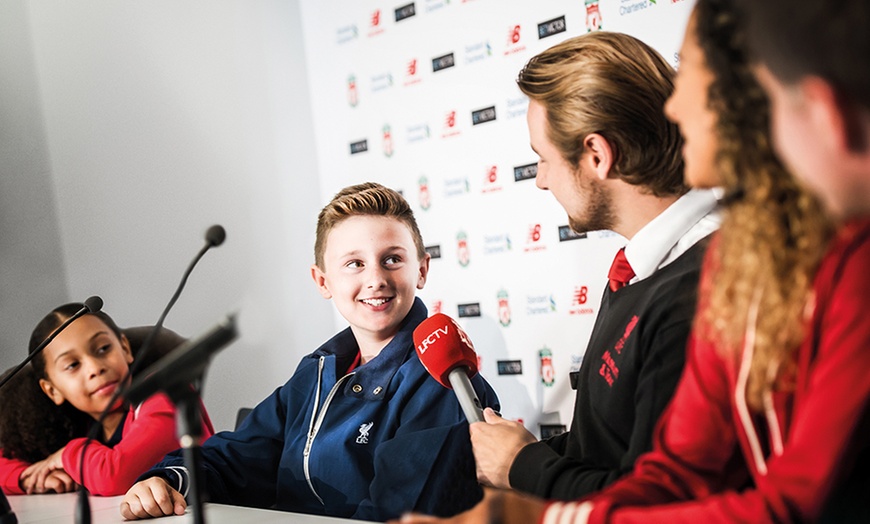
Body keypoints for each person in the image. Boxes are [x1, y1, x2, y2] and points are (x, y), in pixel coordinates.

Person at [394, 1, 867, 521]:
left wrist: (530, 494)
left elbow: (784, 502)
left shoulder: (716, 278)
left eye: (691, 76)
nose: (675, 108)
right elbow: (675, 471)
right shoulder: (729, 256)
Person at [120, 182, 500, 522]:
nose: (376, 279)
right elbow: (241, 456)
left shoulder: (441, 379)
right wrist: (169, 478)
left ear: (421, 270)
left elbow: (400, 511)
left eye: (393, 259)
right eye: (354, 263)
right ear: (323, 281)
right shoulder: (318, 371)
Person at [469, 31, 720, 501]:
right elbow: (609, 447)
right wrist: (515, 454)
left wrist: (523, 465)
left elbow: (658, 506)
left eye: (542, 159)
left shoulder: (699, 294)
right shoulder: (638, 268)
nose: (541, 181)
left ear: (597, 156)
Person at [0, 305, 215, 496]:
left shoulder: (163, 391)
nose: (95, 368)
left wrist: (67, 454)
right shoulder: (77, 425)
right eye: (73, 365)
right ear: (52, 390)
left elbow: (117, 475)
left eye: (104, 349)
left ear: (125, 348)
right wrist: (30, 477)